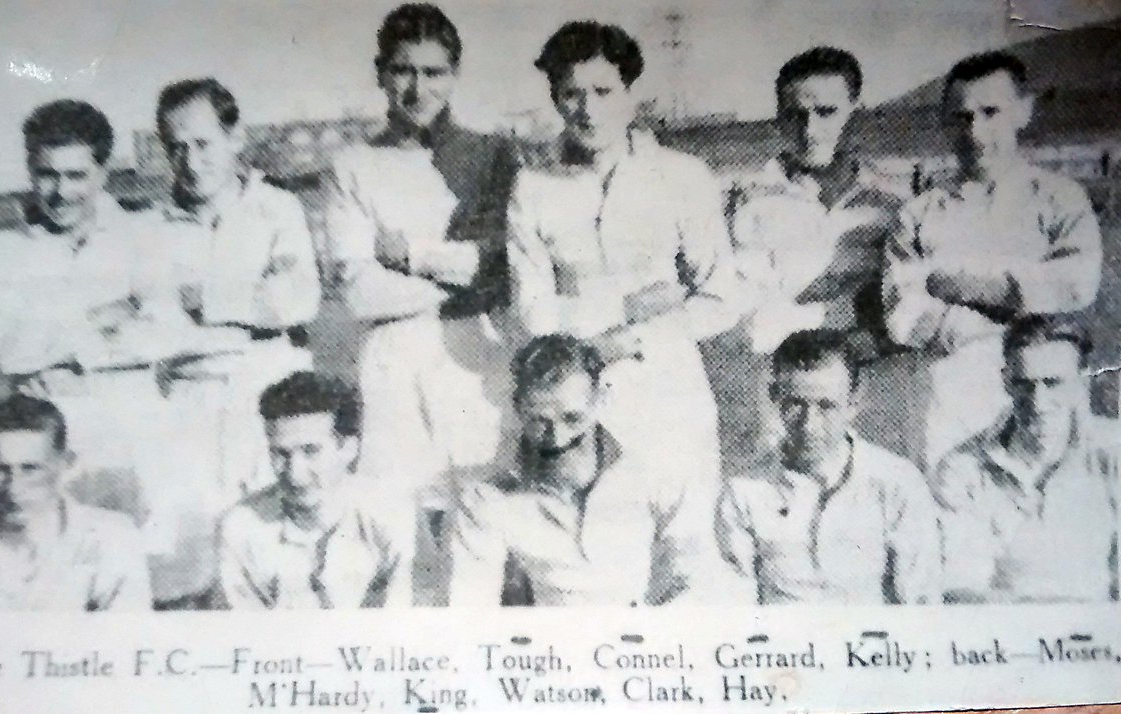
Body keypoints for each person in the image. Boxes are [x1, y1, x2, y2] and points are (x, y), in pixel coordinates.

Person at [325, 3, 518, 598]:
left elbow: (500, 269)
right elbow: (356, 288)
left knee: (482, 519)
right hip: (390, 359)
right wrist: (457, 274)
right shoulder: (352, 164)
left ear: (455, 75)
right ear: (382, 74)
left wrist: (408, 255)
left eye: (434, 72)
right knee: (399, 524)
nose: (418, 87)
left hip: (474, 354)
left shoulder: (491, 156)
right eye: (403, 71)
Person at [507, 21, 741, 492]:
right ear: (554, 98)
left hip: (671, 387)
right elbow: (531, 311)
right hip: (572, 403)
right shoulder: (532, 187)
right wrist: (627, 309)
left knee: (686, 542)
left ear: (630, 95)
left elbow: (720, 299)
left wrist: (635, 339)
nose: (589, 110)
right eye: (572, 93)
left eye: (603, 91)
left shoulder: (683, 177)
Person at [133, 77, 322, 609]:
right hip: (189, 406)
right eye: (176, 147)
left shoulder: (277, 208)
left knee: (275, 552)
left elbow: (295, 301)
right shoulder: (150, 229)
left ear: (235, 137)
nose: (190, 161)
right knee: (190, 559)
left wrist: (207, 300)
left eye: (203, 144)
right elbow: (155, 325)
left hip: (268, 394)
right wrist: (247, 307)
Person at [882, 51, 1103, 469]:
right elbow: (902, 314)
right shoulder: (920, 213)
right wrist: (1013, 309)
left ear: (1024, 111)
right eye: (961, 117)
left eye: (990, 112)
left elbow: (1075, 284)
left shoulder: (1060, 198)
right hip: (949, 388)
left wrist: (960, 284)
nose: (976, 131)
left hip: (1042, 387)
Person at [719, 47, 905, 467]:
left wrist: (871, 333)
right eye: (794, 114)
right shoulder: (749, 199)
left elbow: (904, 291)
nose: (809, 128)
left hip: (872, 377)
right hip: (789, 380)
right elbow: (746, 302)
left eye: (826, 111)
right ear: (778, 116)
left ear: (854, 110)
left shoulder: (891, 199)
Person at [447, 335, 726, 606]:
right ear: (518, 410)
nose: (556, 438)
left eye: (572, 418)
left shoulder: (656, 475)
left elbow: (692, 578)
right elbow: (471, 609)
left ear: (601, 400)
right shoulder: (486, 500)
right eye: (539, 421)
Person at [0, 99, 166, 486]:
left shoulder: (143, 234)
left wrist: (54, 341)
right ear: (30, 170)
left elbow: (162, 334)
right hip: (46, 436)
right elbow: (11, 351)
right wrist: (102, 318)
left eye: (76, 175)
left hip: (137, 426)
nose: (60, 192)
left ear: (103, 173)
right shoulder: (2, 251)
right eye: (47, 175)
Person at [716, 330, 940, 604]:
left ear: (854, 403)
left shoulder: (897, 482)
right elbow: (734, 607)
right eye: (795, 404)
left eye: (826, 406)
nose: (810, 425)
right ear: (774, 396)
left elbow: (922, 605)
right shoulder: (743, 489)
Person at [934, 317, 1119, 603]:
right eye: (1024, 384)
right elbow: (962, 587)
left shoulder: (1113, 454)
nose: (1037, 401)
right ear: (1006, 380)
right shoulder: (962, 468)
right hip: (1003, 635)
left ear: (1082, 382)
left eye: (1052, 383)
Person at [0, 396, 150, 611]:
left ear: (65, 463)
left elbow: (124, 642)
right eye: (0, 469)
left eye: (30, 469)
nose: (14, 486)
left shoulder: (113, 540)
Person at [218, 372, 411, 609]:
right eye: (281, 454)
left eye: (310, 451)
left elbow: (401, 628)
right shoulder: (241, 528)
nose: (294, 473)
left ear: (348, 449)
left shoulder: (390, 518)